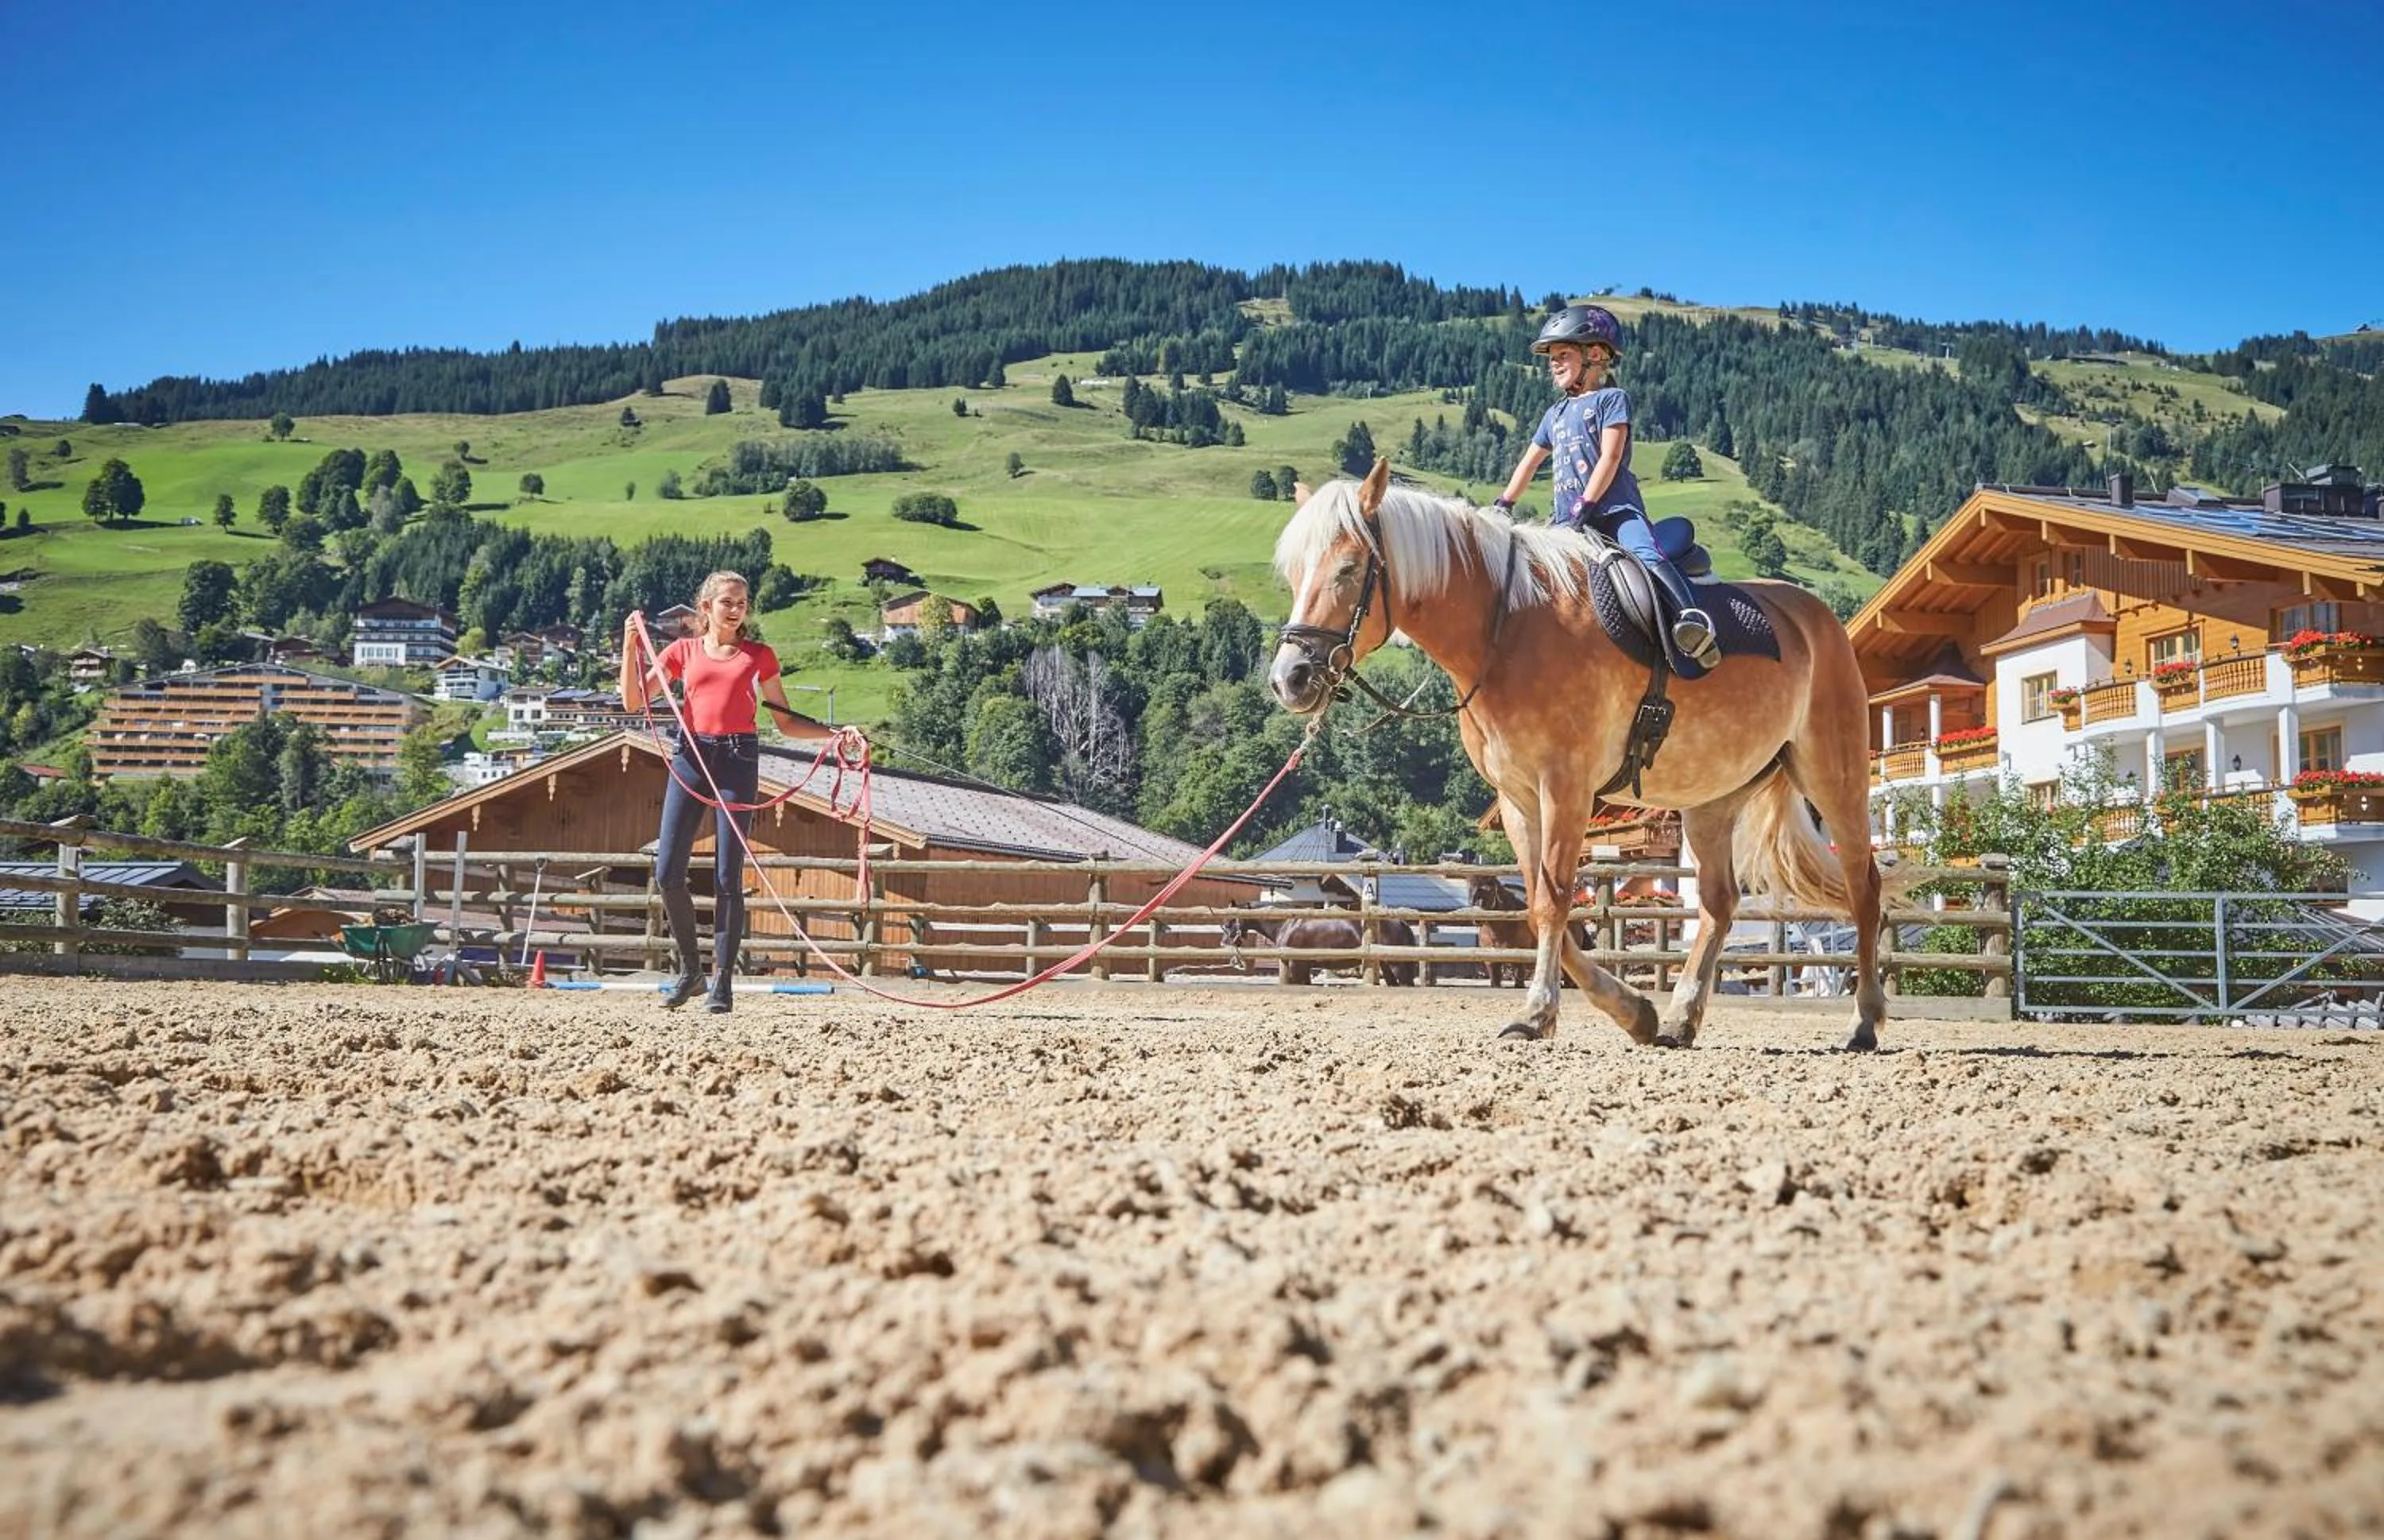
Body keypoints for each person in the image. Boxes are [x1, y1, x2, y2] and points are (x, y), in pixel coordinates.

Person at [1492, 304, 1719, 667]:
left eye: (1563, 354)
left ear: (1595, 355)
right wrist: (1504, 502)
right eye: (1551, 357)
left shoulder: (1612, 400)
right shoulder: (1555, 415)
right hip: (1568, 521)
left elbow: (1610, 459)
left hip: (1615, 513)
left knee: (1646, 555)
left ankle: (1691, 620)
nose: (1554, 363)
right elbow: (1530, 462)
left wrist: (1586, 503)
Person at [619, 571, 800, 1012]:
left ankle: (723, 981)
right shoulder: (682, 651)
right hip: (691, 756)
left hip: (739, 760)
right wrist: (630, 647)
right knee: (666, 872)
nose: (737, 609)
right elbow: (632, 701)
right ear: (706, 608)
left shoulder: (759, 655)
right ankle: (691, 972)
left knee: (726, 877)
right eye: (727, 602)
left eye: (742, 602)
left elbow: (786, 722)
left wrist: (837, 733)